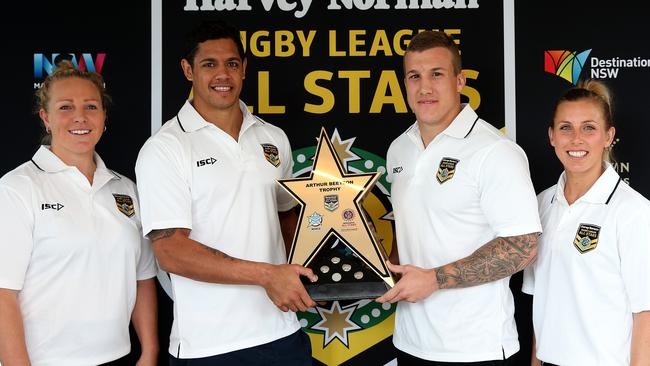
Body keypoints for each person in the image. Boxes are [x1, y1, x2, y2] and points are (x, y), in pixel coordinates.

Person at [135, 20, 316, 365]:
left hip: (282, 332)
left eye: (232, 64)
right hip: (209, 346)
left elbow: (285, 216)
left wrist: (317, 269)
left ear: (244, 69)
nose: (223, 75)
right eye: (209, 65)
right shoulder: (166, 147)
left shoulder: (272, 137)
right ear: (188, 70)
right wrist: (267, 275)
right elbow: (171, 252)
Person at [377, 30, 542, 365]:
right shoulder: (400, 148)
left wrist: (434, 279)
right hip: (410, 342)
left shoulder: (494, 151)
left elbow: (522, 247)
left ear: (460, 80)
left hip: (475, 349)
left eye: (436, 74)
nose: (424, 88)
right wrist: (380, 268)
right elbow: (412, 231)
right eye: (414, 76)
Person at [0, 61, 158, 365]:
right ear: (45, 118)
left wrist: (149, 352)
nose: (80, 117)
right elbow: (3, 295)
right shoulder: (17, 188)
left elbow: (143, 277)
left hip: (118, 358)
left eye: (90, 106)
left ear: (104, 117)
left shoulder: (125, 189)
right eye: (65, 107)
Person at [522, 79, 650, 366]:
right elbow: (541, 303)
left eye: (589, 128)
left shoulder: (633, 211)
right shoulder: (541, 205)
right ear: (552, 135)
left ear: (608, 136)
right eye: (566, 127)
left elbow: (645, 314)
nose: (576, 139)